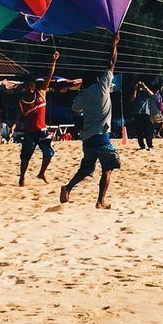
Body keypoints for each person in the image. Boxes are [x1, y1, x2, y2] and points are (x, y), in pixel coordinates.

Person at [60, 34, 122, 209]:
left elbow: (74, 110)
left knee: (86, 169)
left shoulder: (82, 96)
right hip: (102, 137)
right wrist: (114, 43)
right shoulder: (102, 87)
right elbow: (111, 62)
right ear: (96, 80)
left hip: (87, 139)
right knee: (108, 167)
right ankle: (100, 201)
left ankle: (67, 188)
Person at [16, 52, 61, 186]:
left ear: (34, 86)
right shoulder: (22, 101)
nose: (30, 88)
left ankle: (42, 173)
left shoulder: (41, 93)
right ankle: (22, 177)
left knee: (49, 153)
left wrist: (53, 61)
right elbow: (18, 115)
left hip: (42, 130)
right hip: (29, 132)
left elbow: (49, 75)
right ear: (24, 87)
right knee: (25, 157)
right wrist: (13, 125)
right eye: (27, 86)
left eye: (32, 85)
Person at [133, 80, 158, 150]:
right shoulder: (135, 92)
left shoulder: (146, 93)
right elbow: (132, 98)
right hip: (137, 113)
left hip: (146, 113)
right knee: (139, 132)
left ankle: (149, 145)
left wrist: (144, 86)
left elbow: (152, 94)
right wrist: (135, 88)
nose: (140, 87)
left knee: (148, 131)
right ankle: (142, 146)